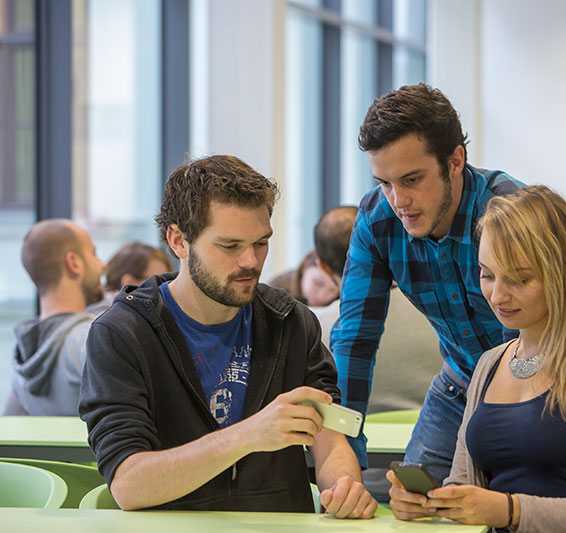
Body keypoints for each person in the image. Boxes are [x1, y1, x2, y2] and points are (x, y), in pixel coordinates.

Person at [79, 155, 376, 517]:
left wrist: (344, 486)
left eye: (261, 243)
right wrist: (248, 435)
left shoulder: (291, 321)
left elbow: (329, 439)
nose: (250, 261)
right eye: (229, 246)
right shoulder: (122, 334)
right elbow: (129, 484)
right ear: (178, 241)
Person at [387, 185, 566, 532]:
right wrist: (435, 504)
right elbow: (463, 485)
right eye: (487, 275)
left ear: (561, 274)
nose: (497, 295)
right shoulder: (489, 365)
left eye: (519, 279)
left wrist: (511, 511)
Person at [330, 83, 523, 484]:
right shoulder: (377, 222)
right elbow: (353, 339)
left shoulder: (508, 212)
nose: (398, 200)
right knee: (412, 499)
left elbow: (521, 346)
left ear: (455, 161)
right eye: (384, 182)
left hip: (538, 381)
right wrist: (344, 451)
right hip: (459, 380)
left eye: (412, 179)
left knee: (513, 499)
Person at [313, 206, 441, 414]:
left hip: (349, 443)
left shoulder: (316, 331)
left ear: (323, 267)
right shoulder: (442, 316)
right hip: (439, 442)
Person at [3, 219, 105, 416]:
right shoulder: (93, 338)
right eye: (93, 253)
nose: (103, 264)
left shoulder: (23, 352)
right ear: (73, 262)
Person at [86, 241, 173, 314]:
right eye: (157, 282)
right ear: (129, 282)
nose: (166, 289)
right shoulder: (113, 321)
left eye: (168, 282)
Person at [269, 250, 339, 308]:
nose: (322, 294)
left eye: (331, 290)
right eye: (318, 283)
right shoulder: (274, 294)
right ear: (304, 267)